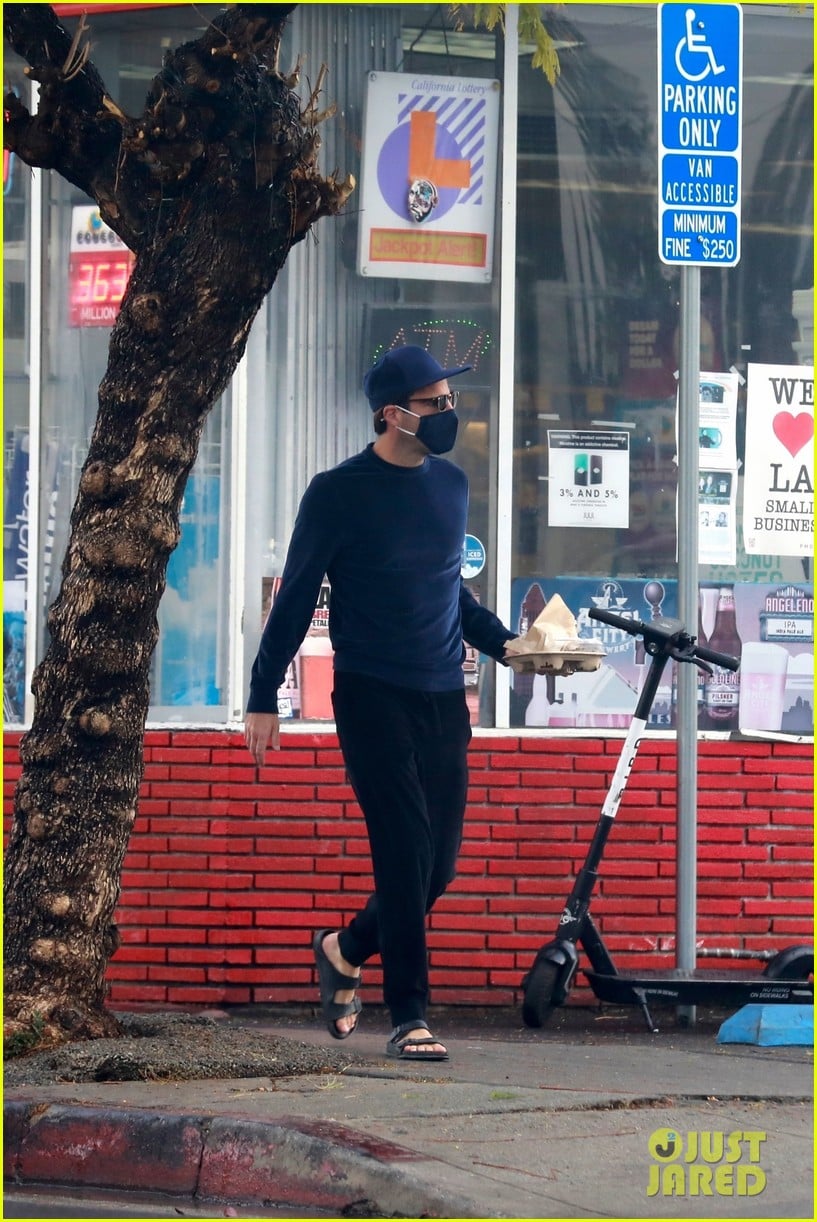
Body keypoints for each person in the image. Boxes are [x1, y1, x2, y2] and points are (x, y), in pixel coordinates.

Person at [244, 345, 527, 1062]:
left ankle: (344, 947)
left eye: (448, 402)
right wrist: (262, 693)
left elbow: (448, 591)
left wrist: (507, 646)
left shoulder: (451, 487)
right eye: (434, 404)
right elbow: (298, 593)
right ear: (392, 414)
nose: (448, 414)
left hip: (441, 695)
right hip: (370, 694)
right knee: (403, 857)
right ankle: (410, 1014)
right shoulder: (338, 492)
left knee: (439, 868)